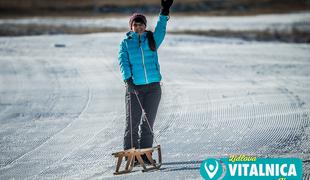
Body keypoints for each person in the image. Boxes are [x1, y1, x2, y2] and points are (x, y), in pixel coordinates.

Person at [117, 0, 173, 163]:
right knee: (132, 124)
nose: (139, 27)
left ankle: (145, 156)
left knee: (148, 123)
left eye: (141, 24)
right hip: (134, 88)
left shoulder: (152, 39)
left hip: (154, 88)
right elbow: (123, 61)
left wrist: (164, 11)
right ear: (131, 27)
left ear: (145, 26)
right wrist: (128, 79)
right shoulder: (126, 43)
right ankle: (131, 156)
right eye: (136, 25)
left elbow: (161, 30)